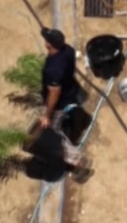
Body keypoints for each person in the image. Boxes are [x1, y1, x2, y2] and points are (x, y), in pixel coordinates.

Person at [38, 27, 92, 180]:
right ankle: (80, 121)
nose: (45, 40)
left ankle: (78, 162)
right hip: (72, 92)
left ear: (49, 44)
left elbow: (54, 94)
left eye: (47, 39)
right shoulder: (68, 50)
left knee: (55, 134)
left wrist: (47, 115)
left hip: (61, 103)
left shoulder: (53, 70)